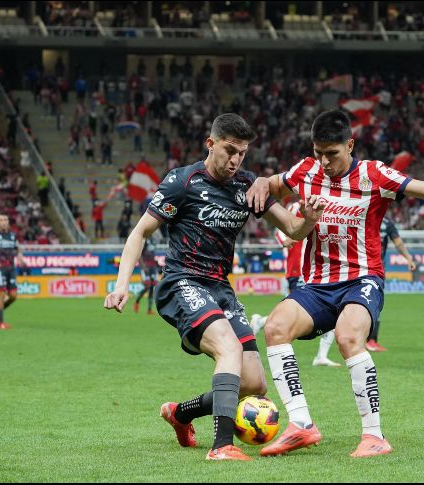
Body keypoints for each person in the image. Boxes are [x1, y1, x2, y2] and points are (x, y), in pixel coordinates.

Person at [245, 109, 424, 458]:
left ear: (350, 145)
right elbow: (272, 183)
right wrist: (261, 181)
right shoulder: (305, 170)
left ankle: (374, 436)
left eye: (332, 153)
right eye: (319, 152)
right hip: (318, 285)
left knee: (350, 337)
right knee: (274, 327)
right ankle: (301, 425)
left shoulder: (374, 174)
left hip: (361, 280)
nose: (324, 161)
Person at [103, 113, 326, 462]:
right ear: (211, 144)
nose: (236, 159)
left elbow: (294, 230)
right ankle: (221, 447)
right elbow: (139, 233)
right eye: (229, 150)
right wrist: (121, 286)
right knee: (229, 349)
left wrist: (309, 218)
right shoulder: (183, 181)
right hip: (183, 282)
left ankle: (181, 414)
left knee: (253, 384)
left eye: (243, 153)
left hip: (221, 289)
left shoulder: (249, 186)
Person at [249, 197, 341, 368]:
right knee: (296, 315)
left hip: (320, 271)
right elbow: (280, 229)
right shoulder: (297, 206)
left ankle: (321, 356)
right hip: (298, 269)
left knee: (331, 311)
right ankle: (262, 323)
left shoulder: (328, 203)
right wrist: (284, 240)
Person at [364, 216, 418, 352]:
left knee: (368, 302)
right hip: (370, 268)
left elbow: (398, 243)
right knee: (372, 302)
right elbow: (398, 243)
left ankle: (367, 339)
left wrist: (408, 257)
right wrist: (408, 258)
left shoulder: (382, 221)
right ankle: (369, 340)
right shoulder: (380, 220)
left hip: (369, 268)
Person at [133, 238, 160, 315]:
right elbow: (139, 255)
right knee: (147, 286)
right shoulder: (145, 241)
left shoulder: (153, 241)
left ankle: (149, 309)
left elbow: (152, 255)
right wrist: (143, 267)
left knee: (152, 287)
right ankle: (137, 301)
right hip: (146, 268)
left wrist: (156, 264)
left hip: (153, 267)